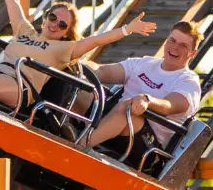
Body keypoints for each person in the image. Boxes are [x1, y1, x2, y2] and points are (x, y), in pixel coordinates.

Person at [0, 0, 156, 108]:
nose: (55, 24)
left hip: (20, 86)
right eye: (53, 18)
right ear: (46, 18)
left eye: (62, 24)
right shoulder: (25, 31)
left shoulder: (64, 48)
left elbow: (96, 40)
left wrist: (127, 29)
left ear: (67, 33)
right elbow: (13, 2)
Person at [81, 20, 202, 170]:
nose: (175, 47)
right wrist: (78, 65)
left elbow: (170, 105)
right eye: (172, 40)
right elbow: (102, 71)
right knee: (81, 85)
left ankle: (78, 145)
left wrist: (147, 100)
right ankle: (60, 128)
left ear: (192, 53)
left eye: (183, 45)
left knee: (128, 108)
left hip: (146, 146)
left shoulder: (188, 81)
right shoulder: (145, 63)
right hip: (113, 120)